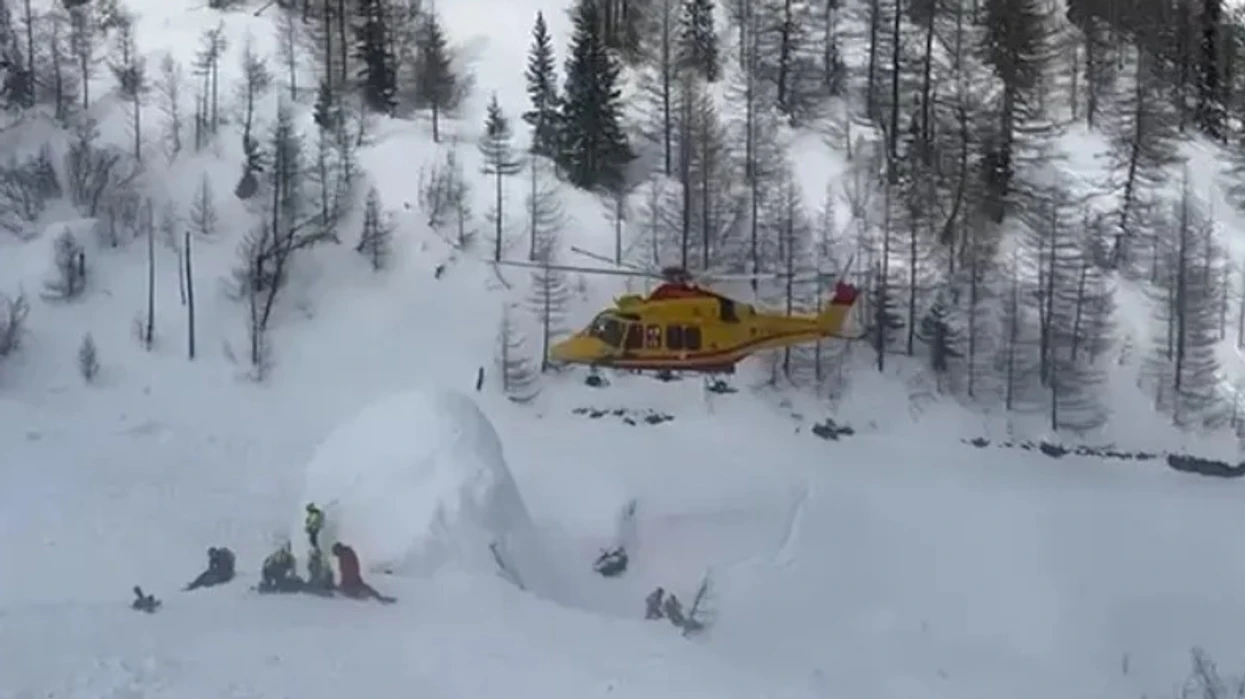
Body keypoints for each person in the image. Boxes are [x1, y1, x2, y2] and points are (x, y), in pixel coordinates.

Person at [330, 542, 395, 603]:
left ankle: (379, 599)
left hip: (351, 583)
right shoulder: (346, 554)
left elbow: (349, 571)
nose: (336, 556)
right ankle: (380, 598)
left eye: (336, 553)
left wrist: (347, 583)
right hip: (354, 581)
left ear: (338, 550)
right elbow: (349, 570)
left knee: (360, 590)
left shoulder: (345, 556)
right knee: (366, 589)